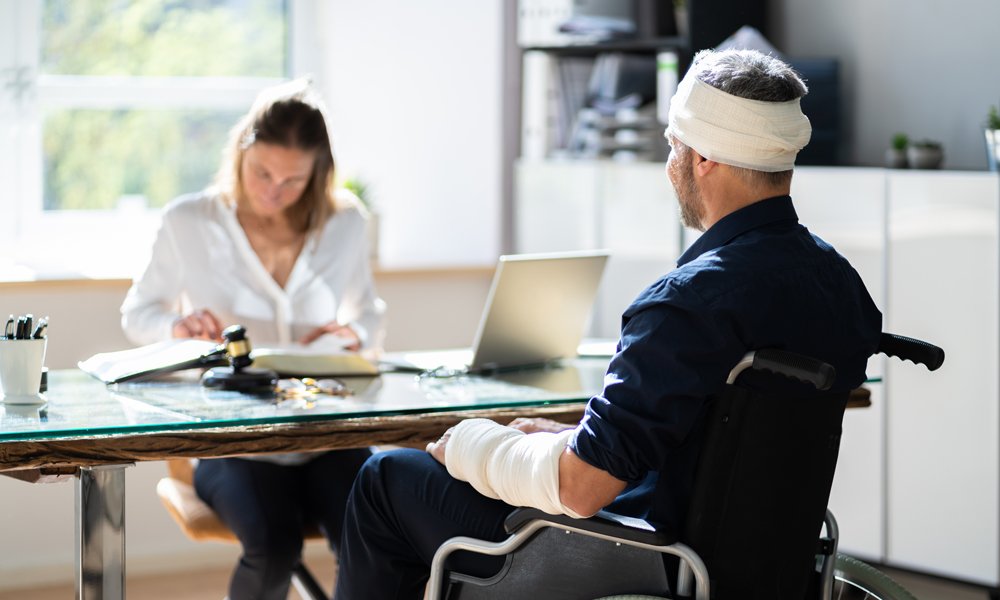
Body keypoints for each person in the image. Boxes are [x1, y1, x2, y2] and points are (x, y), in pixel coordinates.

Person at [330, 49, 883, 600]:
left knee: (385, 480)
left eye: (673, 145)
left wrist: (475, 445)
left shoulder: (687, 304)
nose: (670, 165)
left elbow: (581, 489)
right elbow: (717, 444)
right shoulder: (840, 286)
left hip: (645, 563)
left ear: (705, 158)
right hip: (762, 569)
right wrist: (578, 439)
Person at [120, 79, 386, 600]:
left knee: (378, 531)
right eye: (262, 172)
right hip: (232, 442)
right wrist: (176, 327)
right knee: (273, 544)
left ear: (318, 174)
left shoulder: (345, 222)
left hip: (326, 432)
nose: (273, 191)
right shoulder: (189, 220)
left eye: (292, 180)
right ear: (241, 150)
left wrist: (354, 333)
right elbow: (138, 313)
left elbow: (369, 315)